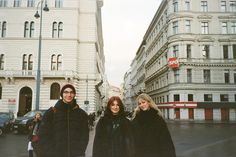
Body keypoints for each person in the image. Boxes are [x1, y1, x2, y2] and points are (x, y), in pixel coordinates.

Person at [38, 84, 89, 157]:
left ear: (74, 95)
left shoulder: (81, 114)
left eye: (71, 92)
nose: (69, 95)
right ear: (62, 94)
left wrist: (80, 151)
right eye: (66, 92)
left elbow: (84, 136)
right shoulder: (51, 112)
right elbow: (43, 135)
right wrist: (50, 152)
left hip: (76, 154)